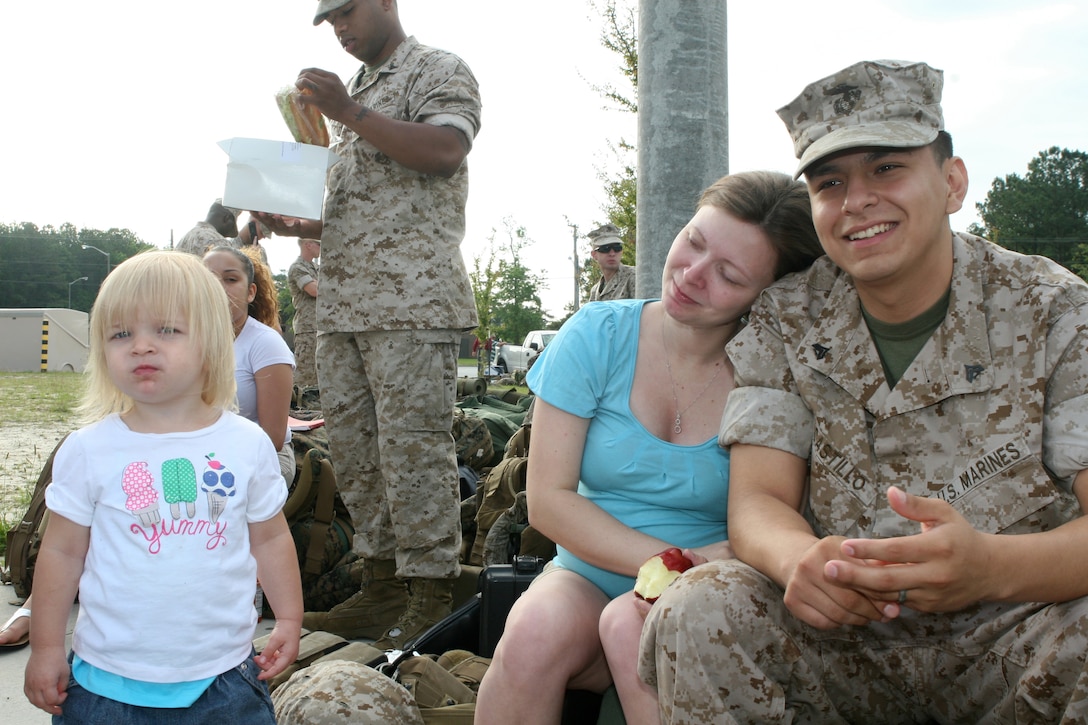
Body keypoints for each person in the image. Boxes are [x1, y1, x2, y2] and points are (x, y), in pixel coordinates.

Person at [639, 59, 1088, 723]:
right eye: (830, 182)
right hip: (843, 643)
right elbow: (759, 499)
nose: (857, 201)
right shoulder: (788, 316)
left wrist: (990, 566)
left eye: (887, 168)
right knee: (701, 606)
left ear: (952, 181)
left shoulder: (1055, 311)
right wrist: (799, 561)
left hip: (1016, 633)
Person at [474, 171, 825, 725]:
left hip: (721, 583)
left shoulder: (779, 376)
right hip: (587, 575)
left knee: (630, 624)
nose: (692, 274)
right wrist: (669, 565)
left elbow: (792, 516)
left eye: (729, 275)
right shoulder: (595, 335)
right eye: (694, 241)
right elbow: (549, 500)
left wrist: (689, 578)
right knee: (532, 631)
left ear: (771, 293)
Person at [253, 0, 482, 649]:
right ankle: (380, 586)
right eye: (329, 21)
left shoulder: (435, 71)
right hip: (345, 304)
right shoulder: (353, 95)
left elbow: (444, 150)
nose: (340, 28)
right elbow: (364, 204)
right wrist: (302, 226)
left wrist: (349, 114)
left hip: (412, 302)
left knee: (414, 450)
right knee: (357, 454)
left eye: (348, 11)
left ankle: (432, 592)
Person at [23, 250, 302, 720]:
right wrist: (47, 647)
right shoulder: (88, 449)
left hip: (224, 681)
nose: (141, 346)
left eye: (166, 329)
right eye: (120, 334)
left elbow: (271, 539)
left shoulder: (247, 443)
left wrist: (290, 617)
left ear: (214, 342)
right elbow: (62, 554)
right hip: (102, 687)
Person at [205, 245, 296, 484]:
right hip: (199, 453)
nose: (218, 287)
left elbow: (272, 439)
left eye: (230, 279)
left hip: (261, 458)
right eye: (208, 278)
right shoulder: (180, 342)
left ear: (250, 292)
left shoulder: (265, 343)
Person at [287, 238, 321, 389]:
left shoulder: (317, 268)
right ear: (308, 245)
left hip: (321, 326)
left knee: (320, 373)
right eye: (318, 244)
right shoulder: (297, 267)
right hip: (307, 328)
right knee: (305, 376)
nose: (321, 247)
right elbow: (314, 290)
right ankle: (300, 408)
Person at [587, 223, 637, 302]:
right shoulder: (595, 291)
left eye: (617, 248)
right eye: (605, 249)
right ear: (594, 255)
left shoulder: (634, 276)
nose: (612, 253)